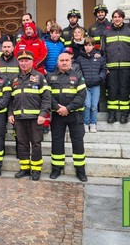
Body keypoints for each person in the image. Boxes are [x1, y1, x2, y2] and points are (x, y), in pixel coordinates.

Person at [8, 50, 51, 180]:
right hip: (19, 119)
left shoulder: (39, 77)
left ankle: (36, 169)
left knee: (36, 144)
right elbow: (9, 99)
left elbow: (46, 98)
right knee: (22, 144)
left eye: (26, 60)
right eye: (21, 61)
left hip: (35, 118)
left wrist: (43, 114)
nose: (24, 63)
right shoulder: (14, 79)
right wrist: (10, 113)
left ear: (32, 62)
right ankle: (25, 168)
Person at [46, 53, 88, 182]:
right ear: (58, 62)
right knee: (57, 142)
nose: (64, 62)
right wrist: (58, 108)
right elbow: (47, 96)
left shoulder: (78, 76)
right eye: (62, 60)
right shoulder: (50, 77)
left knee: (78, 142)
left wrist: (67, 108)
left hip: (75, 115)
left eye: (66, 60)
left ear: (71, 61)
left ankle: (80, 170)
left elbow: (81, 96)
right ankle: (56, 168)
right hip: (57, 115)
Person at [101, 9, 130, 124]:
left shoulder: (128, 31)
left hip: (126, 67)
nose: (117, 19)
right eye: (115, 17)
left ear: (123, 18)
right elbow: (102, 52)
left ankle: (124, 114)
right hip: (111, 68)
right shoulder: (106, 33)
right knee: (111, 90)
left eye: (119, 17)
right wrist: (105, 67)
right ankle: (111, 114)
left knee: (125, 90)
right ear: (112, 19)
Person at [76, 37, 107, 133]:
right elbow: (77, 70)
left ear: (93, 46)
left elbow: (104, 69)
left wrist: (100, 78)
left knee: (94, 105)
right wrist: (82, 80)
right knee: (87, 104)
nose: (87, 47)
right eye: (86, 45)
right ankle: (86, 123)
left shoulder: (99, 58)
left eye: (90, 45)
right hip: (85, 86)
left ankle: (93, 124)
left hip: (96, 85)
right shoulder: (80, 58)